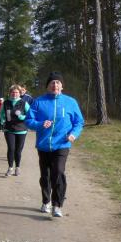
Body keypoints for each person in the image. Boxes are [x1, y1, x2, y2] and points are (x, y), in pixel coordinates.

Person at [25, 72, 84, 218]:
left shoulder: (70, 102)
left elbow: (79, 122)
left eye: (58, 82)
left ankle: (57, 205)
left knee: (58, 172)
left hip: (62, 144)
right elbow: (28, 121)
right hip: (44, 144)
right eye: (52, 82)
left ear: (62, 86)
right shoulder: (39, 102)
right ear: (48, 86)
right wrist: (40, 124)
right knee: (45, 175)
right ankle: (46, 201)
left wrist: (74, 134)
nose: (55, 85)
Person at [0, 85, 30, 176]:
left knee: (18, 150)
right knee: (11, 149)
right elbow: (1, 113)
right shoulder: (6, 103)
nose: (14, 94)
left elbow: (30, 115)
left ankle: (17, 167)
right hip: (9, 129)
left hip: (21, 129)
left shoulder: (24, 103)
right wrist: (2, 120)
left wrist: (22, 117)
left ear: (19, 93)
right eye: (13, 92)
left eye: (16, 92)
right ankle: (10, 168)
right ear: (10, 93)